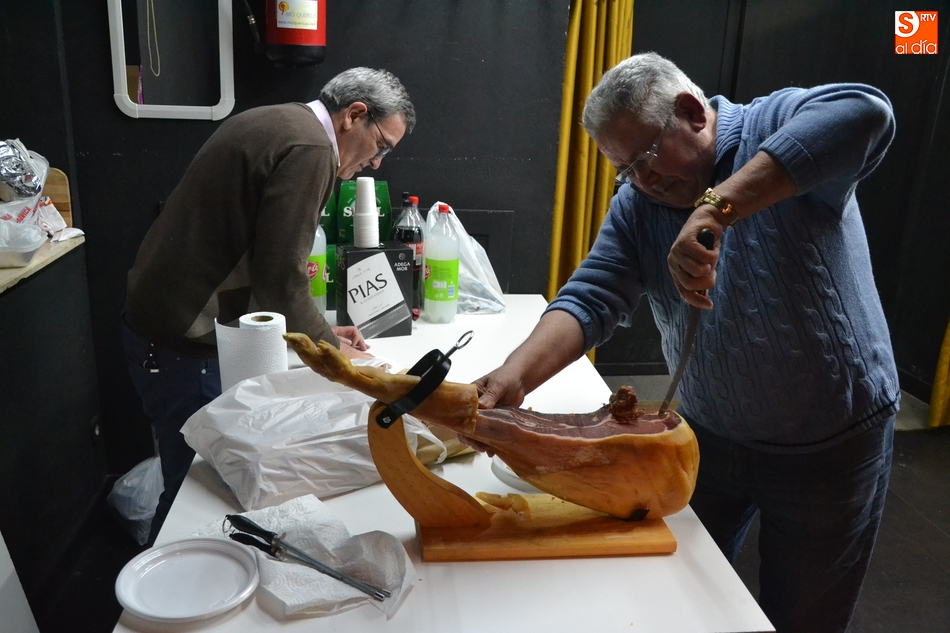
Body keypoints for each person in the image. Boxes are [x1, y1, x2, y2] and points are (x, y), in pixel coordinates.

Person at [475, 52, 897, 633]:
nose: (643, 181)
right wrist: (514, 375)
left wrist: (716, 207)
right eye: (625, 170)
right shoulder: (638, 207)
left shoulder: (770, 124)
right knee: (678, 596)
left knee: (804, 616)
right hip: (707, 438)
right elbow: (591, 296)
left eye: (646, 157)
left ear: (692, 112)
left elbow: (866, 111)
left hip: (829, 448)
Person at [121, 67, 416, 546]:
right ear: (354, 115)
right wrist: (333, 352)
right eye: (381, 145)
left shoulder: (281, 122)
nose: (378, 163)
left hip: (163, 329)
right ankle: (161, 583)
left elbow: (264, 257)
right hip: (180, 344)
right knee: (193, 499)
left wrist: (320, 331)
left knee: (193, 486)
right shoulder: (312, 148)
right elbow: (280, 276)